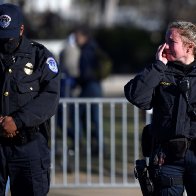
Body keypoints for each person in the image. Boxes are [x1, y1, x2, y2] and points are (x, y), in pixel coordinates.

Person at [124, 21, 196, 195]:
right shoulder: (159, 71)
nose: (165, 46)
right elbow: (136, 96)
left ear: (189, 47)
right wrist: (158, 66)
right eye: (165, 40)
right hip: (167, 157)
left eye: (172, 41)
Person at [0, 3, 60, 196]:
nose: (5, 42)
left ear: (21, 29)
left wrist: (16, 121)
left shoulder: (40, 57)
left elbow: (49, 98)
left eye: (9, 36)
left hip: (29, 147)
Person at [73, 26, 103, 154]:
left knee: (77, 114)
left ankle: (79, 144)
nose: (75, 40)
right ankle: (98, 146)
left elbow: (85, 72)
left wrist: (76, 80)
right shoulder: (94, 48)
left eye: (77, 37)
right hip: (95, 86)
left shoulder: (87, 50)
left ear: (84, 37)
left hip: (90, 86)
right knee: (94, 118)